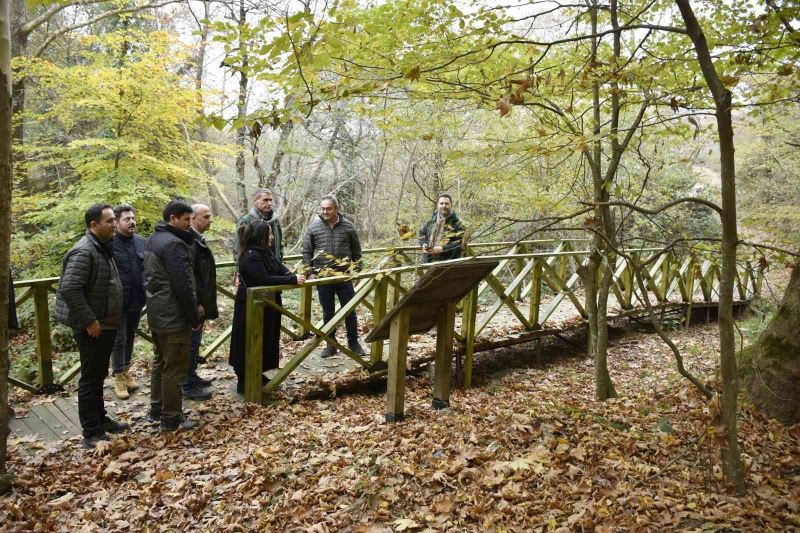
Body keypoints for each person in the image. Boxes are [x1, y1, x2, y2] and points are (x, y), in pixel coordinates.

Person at [54, 204, 128, 448]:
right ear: (93, 225)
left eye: (113, 221)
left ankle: (100, 420)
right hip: (93, 327)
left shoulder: (101, 247)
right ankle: (91, 432)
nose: (114, 225)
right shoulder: (84, 251)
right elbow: (69, 288)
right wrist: (90, 321)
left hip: (105, 323)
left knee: (97, 375)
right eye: (109, 221)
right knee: (90, 378)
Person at [144, 200, 203, 431]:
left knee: (161, 362)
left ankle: (156, 409)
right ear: (172, 219)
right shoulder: (174, 245)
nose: (190, 224)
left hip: (158, 313)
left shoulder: (153, 239)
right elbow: (183, 285)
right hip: (173, 316)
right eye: (186, 220)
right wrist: (193, 315)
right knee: (174, 367)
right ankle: (171, 418)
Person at [229, 220, 305, 393]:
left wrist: (292, 275)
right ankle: (244, 379)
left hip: (268, 303)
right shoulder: (250, 255)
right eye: (269, 234)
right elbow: (262, 278)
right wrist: (291, 280)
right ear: (261, 236)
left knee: (266, 338)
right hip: (250, 305)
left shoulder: (265, 252)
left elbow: (278, 267)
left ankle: (258, 372)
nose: (272, 237)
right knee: (247, 340)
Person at [302, 195, 366, 358]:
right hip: (323, 277)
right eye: (323, 208)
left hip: (344, 276)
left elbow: (356, 250)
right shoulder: (314, 227)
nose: (325, 211)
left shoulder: (348, 226)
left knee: (349, 311)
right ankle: (331, 345)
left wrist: (357, 270)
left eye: (328, 208)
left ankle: (353, 342)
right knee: (327, 312)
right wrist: (309, 272)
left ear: (337, 209)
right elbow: (307, 251)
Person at [109, 204, 146, 400]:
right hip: (117, 300)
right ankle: (118, 376)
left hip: (137, 298)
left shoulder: (141, 242)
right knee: (119, 339)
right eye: (127, 219)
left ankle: (125, 371)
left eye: (133, 218)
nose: (132, 222)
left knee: (130, 336)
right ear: (116, 223)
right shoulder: (110, 243)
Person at [182, 203, 217, 400]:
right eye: (206, 216)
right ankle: (186, 385)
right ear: (193, 218)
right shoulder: (189, 242)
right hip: (196, 304)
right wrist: (196, 304)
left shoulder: (198, 239)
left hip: (202, 301)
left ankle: (191, 376)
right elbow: (190, 277)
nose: (210, 219)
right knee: (190, 344)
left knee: (195, 343)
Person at [233, 188, 283, 262]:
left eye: (270, 200)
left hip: (274, 267)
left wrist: (279, 260)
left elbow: (280, 244)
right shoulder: (246, 221)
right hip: (254, 269)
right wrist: (241, 270)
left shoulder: (275, 221)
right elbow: (238, 249)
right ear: (255, 200)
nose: (269, 203)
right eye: (265, 200)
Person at [419, 193, 465, 263]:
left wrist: (442, 249)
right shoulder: (430, 222)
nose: (444, 206)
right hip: (429, 262)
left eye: (446, 203)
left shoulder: (458, 224)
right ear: (438, 205)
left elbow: (459, 244)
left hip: (449, 263)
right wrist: (424, 245)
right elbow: (422, 236)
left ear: (451, 205)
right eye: (441, 203)